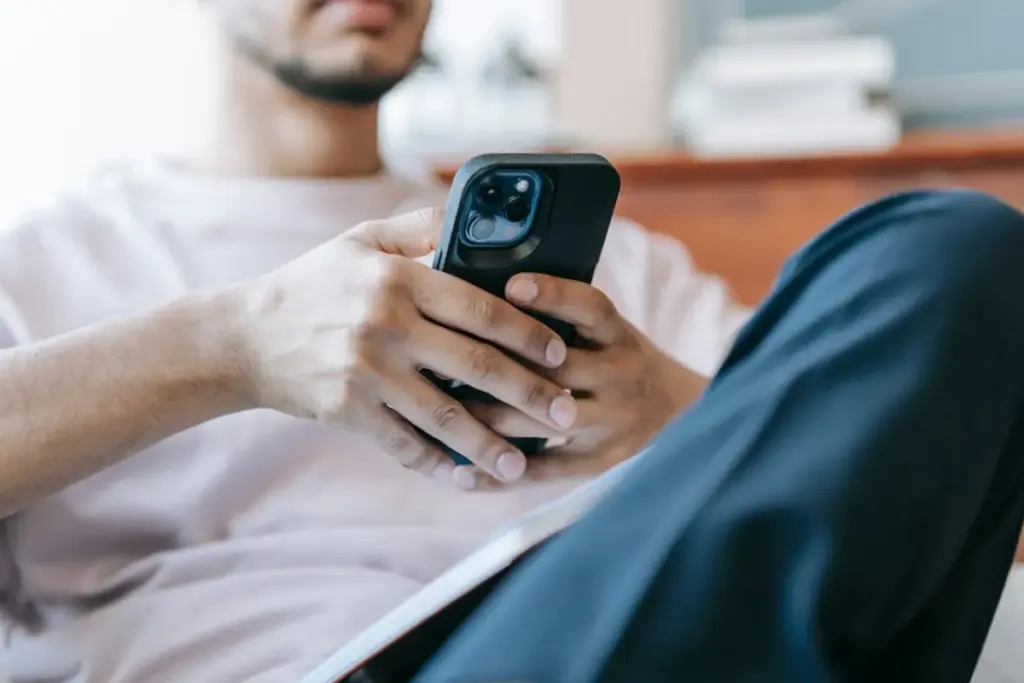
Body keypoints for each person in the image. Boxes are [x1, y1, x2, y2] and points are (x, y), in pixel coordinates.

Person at [0, 4, 1019, 683]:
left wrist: (670, 408)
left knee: (952, 250)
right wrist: (234, 345)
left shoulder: (620, 266)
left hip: (629, 642)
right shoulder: (46, 265)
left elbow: (901, 473)